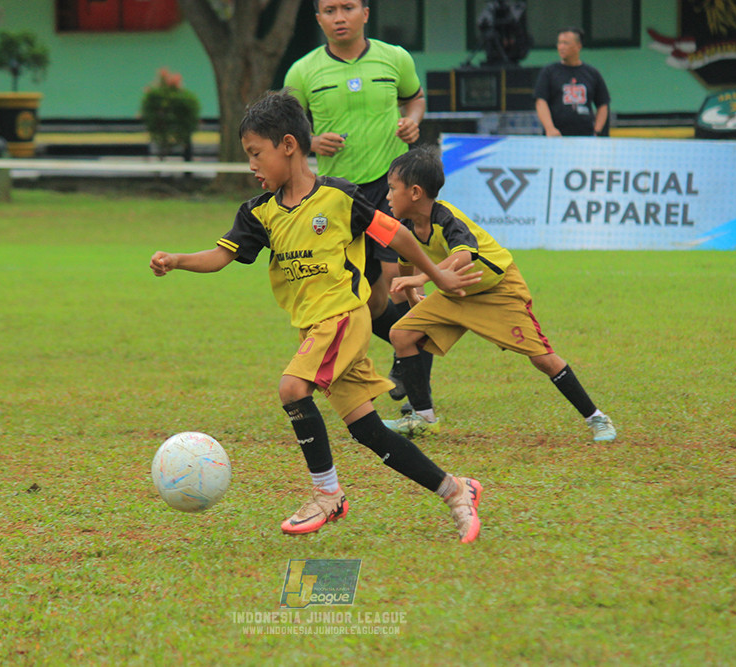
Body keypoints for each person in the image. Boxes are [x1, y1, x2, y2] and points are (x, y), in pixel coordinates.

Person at [149, 92, 484, 542]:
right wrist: (177, 259)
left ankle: (327, 495)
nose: (251, 165)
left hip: (344, 316)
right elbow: (219, 256)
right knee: (368, 430)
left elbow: (398, 234)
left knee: (292, 388)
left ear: (288, 145)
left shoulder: (340, 197)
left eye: (255, 154)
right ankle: (456, 490)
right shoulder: (259, 212)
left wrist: (437, 275)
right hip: (315, 329)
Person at [378, 146, 617, 444]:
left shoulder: (446, 217)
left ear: (415, 192)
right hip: (455, 292)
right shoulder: (406, 225)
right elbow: (405, 260)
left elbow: (464, 255)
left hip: (497, 290)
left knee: (543, 359)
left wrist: (423, 277)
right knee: (401, 335)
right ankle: (423, 419)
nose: (387, 196)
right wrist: (413, 295)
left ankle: (596, 417)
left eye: (391, 188)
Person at [284, 0, 432, 406]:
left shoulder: (393, 59)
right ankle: (415, 344)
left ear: (365, 13)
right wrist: (311, 141)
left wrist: (412, 119)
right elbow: (285, 126)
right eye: (329, 10)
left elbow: (415, 98)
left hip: (390, 190)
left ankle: (412, 370)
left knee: (392, 281)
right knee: (371, 296)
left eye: (347, 7)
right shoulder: (303, 71)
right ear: (319, 20)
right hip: (337, 196)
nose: (339, 17)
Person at [533, 27, 610, 137]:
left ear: (578, 46)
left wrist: (597, 132)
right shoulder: (549, 72)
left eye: (566, 43)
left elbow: (603, 104)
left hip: (586, 138)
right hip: (556, 138)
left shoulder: (592, 73)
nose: (561, 47)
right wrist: (550, 128)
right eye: (559, 43)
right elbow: (540, 101)